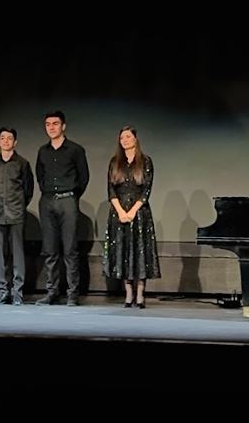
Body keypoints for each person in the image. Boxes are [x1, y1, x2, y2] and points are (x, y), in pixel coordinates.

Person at [34, 111, 89, 306]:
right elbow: (40, 175)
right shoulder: (43, 151)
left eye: (55, 123)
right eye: (48, 124)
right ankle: (52, 292)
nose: (51, 127)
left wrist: (71, 195)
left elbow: (83, 178)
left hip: (67, 200)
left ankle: (72, 293)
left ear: (63, 126)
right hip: (47, 201)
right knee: (50, 250)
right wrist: (49, 193)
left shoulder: (75, 150)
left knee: (70, 249)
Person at [103, 125, 161, 308]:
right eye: (122, 138)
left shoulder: (145, 161)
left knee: (140, 252)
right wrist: (121, 212)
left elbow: (146, 190)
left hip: (140, 213)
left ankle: (140, 294)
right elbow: (111, 190)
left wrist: (132, 211)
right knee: (124, 252)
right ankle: (128, 294)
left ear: (135, 139)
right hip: (119, 213)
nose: (125, 140)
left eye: (128, 137)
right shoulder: (115, 162)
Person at [0, 127, 34, 305]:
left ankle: (17, 292)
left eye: (9, 138)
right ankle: (2, 291)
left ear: (15, 142)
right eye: (2, 138)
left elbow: (28, 190)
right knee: (0, 254)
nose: (6, 141)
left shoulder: (22, 163)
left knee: (17, 254)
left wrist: (19, 205)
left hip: (16, 213)